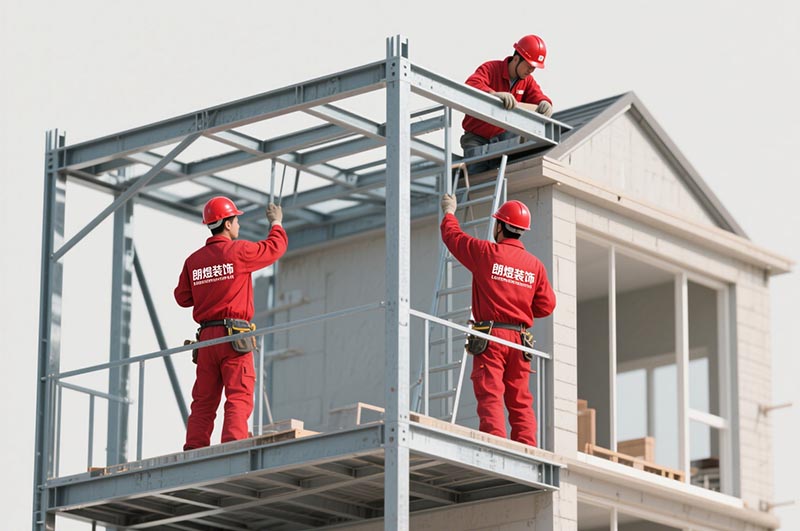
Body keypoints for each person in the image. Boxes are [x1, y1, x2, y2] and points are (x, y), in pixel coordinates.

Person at [440, 194, 555, 446]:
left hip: (491, 337)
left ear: (500, 226)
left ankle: (495, 443)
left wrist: (449, 212)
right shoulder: (535, 266)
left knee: (490, 390)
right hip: (520, 341)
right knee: (520, 397)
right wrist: (519, 306)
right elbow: (547, 305)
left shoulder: (486, 253)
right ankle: (526, 445)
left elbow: (453, 238)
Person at [175, 196, 287, 450]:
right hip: (234, 336)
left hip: (206, 340)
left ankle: (194, 446)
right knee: (238, 393)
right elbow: (274, 249)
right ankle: (234, 444)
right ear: (226, 224)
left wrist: (209, 289)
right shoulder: (240, 251)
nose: (238, 224)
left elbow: (182, 298)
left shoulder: (194, 261)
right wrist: (276, 223)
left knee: (203, 399)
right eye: (236, 219)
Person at [461, 35, 554, 169]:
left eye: (534, 67)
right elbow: (471, 85)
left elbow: (538, 97)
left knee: (509, 174)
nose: (531, 70)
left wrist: (545, 103)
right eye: (529, 65)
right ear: (516, 59)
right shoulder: (491, 69)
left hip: (503, 140)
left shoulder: (527, 81)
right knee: (476, 176)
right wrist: (493, 95)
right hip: (477, 138)